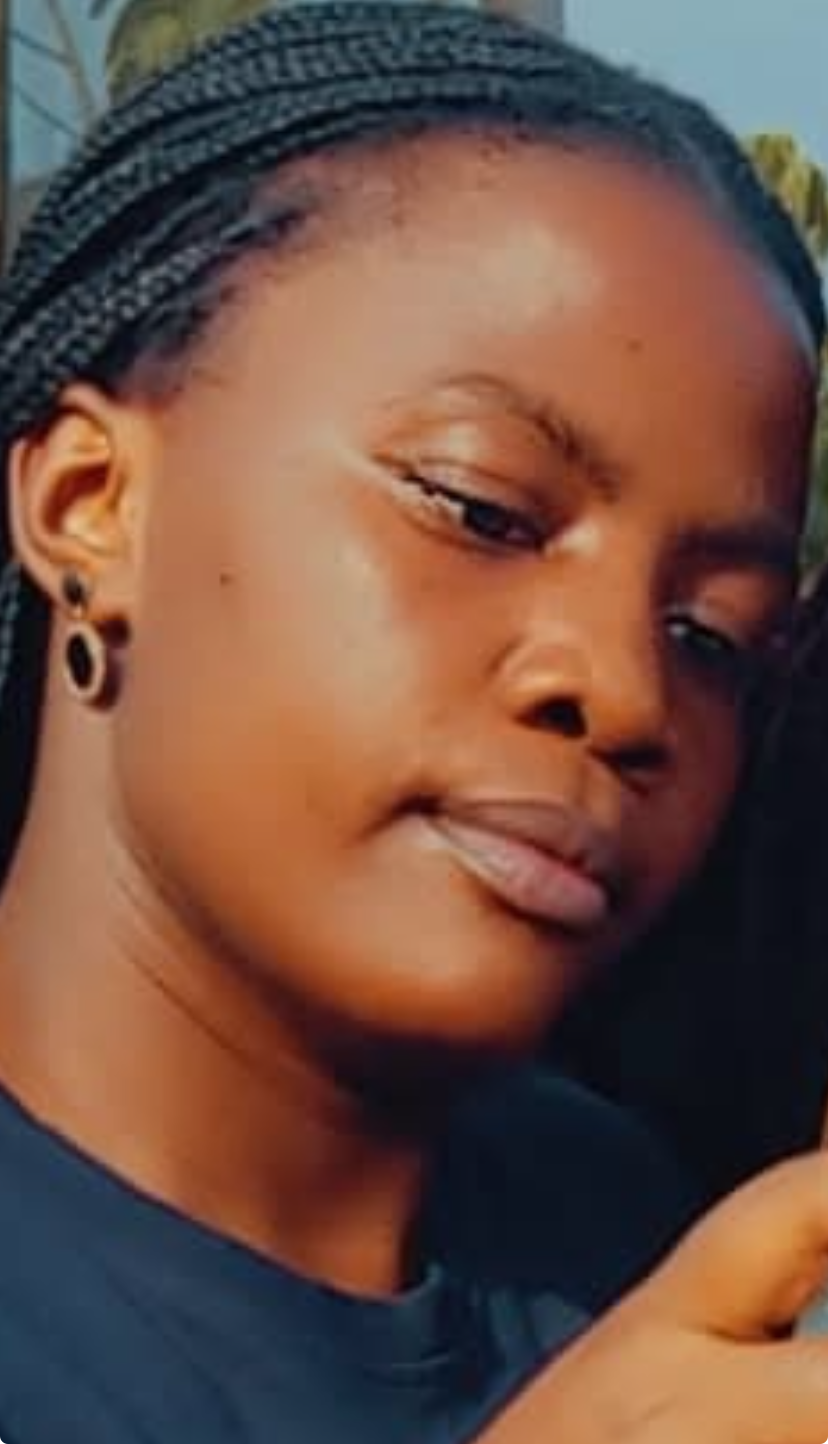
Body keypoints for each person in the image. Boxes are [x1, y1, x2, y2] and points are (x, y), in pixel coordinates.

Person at [0, 4, 820, 1441]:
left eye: (712, 637)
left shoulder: (635, 1233)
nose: (628, 693)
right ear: (93, 505)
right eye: (482, 510)